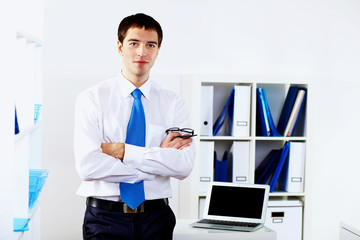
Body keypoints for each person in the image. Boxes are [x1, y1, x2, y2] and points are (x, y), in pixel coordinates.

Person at [74, 13, 196, 240]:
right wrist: (155, 164)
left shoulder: (173, 102)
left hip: (157, 217)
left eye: (150, 44)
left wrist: (122, 151)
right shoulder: (92, 98)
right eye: (134, 43)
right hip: (104, 219)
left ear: (158, 50)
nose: (142, 52)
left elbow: (183, 166)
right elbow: (87, 166)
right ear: (120, 47)